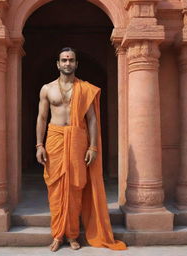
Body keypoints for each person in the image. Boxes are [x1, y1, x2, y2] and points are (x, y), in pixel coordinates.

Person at [36, 47, 127, 252]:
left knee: (76, 188)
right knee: (56, 190)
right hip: (55, 139)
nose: (67, 63)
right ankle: (58, 235)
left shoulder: (85, 89)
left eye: (71, 60)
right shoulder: (47, 89)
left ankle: (72, 235)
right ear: (58, 64)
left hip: (78, 140)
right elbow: (42, 118)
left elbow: (92, 120)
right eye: (64, 60)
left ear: (76, 64)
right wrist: (39, 145)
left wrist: (93, 146)